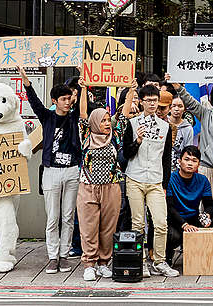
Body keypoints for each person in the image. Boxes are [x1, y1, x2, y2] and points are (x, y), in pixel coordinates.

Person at [167, 79, 213, 259]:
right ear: (212, 97)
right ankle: (197, 244)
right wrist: (178, 88)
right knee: (205, 209)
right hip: (206, 167)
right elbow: (190, 101)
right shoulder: (205, 113)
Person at [22, 69, 81, 274]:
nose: (67, 102)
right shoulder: (47, 117)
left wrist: (82, 84)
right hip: (51, 171)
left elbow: (83, 106)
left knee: (68, 215)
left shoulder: (74, 118)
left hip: (72, 170)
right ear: (55, 100)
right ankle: (52, 257)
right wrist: (26, 82)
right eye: (63, 99)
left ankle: (64, 256)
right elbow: (35, 102)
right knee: (53, 217)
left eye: (69, 98)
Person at [77, 77, 132, 281]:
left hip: (111, 187)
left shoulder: (115, 137)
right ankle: (89, 264)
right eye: (103, 120)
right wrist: (83, 89)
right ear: (94, 123)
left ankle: (103, 263)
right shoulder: (85, 135)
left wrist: (131, 90)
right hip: (88, 187)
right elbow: (82, 113)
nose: (107, 123)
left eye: (108, 120)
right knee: (88, 227)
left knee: (108, 227)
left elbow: (124, 115)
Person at [122, 84, 178, 277]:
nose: (153, 104)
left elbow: (167, 158)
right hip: (135, 178)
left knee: (161, 222)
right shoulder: (132, 123)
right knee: (138, 223)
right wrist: (137, 141)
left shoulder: (166, 126)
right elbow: (126, 153)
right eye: (149, 100)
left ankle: (160, 261)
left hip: (155, 180)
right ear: (142, 101)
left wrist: (164, 184)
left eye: (155, 101)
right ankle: (141, 261)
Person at [165, 145, 213, 266]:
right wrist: (184, 224)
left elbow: (209, 204)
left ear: (198, 164)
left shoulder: (203, 180)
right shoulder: (171, 179)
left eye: (194, 161)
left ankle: (210, 256)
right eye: (186, 159)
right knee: (174, 235)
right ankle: (167, 258)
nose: (190, 163)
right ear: (179, 161)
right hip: (175, 220)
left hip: (193, 217)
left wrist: (207, 216)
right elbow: (169, 207)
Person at [170, 95, 195, 170]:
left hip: (179, 167)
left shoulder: (188, 128)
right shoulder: (164, 123)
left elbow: (188, 150)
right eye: (174, 106)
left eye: (180, 106)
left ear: (184, 109)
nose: (176, 109)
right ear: (169, 108)